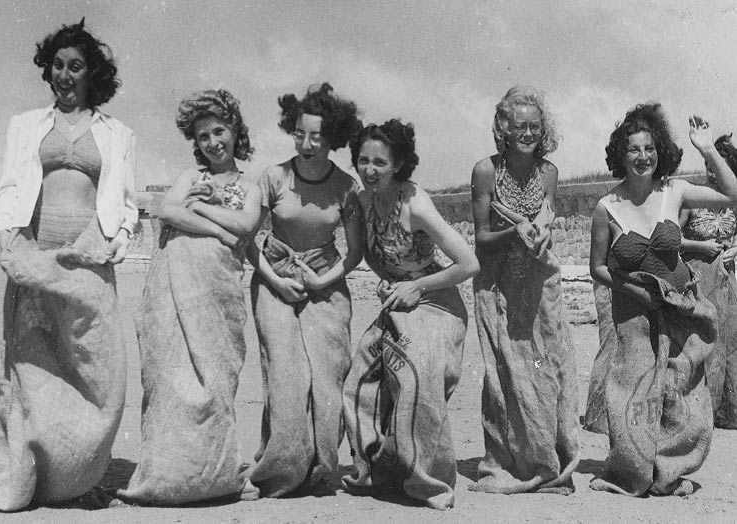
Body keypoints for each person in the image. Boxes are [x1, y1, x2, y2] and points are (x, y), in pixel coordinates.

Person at [0, 19, 138, 511]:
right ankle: (23, 476)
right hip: (35, 256)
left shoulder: (118, 134)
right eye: (58, 65)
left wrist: (116, 237)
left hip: (89, 259)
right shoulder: (26, 125)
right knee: (32, 368)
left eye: (76, 66)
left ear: (92, 73)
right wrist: (9, 238)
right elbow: (11, 186)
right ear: (47, 70)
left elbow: (127, 203)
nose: (65, 74)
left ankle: (78, 478)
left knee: (93, 373)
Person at [117, 89, 262, 505]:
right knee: (168, 379)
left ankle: (218, 475)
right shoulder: (189, 177)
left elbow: (247, 224)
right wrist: (219, 229)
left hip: (218, 294)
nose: (213, 142)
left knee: (217, 380)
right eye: (203, 137)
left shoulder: (251, 187)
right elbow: (166, 210)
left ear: (235, 131)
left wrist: (201, 211)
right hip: (173, 288)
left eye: (220, 132)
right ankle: (165, 477)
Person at [588, 103, 737, 496]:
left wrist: (707, 149)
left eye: (650, 148)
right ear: (621, 155)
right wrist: (635, 291)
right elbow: (598, 268)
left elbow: (733, 193)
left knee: (682, 394)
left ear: (661, 152)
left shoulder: (675, 190)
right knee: (633, 392)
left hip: (681, 306)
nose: (643, 157)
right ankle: (634, 467)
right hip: (634, 313)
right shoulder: (607, 207)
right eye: (634, 149)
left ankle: (670, 471)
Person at [341, 120, 479, 510]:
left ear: (398, 164)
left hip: (437, 303)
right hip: (398, 304)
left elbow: (468, 264)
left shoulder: (415, 203)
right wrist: (390, 282)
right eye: (363, 161)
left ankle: (429, 481)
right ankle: (378, 471)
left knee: (417, 373)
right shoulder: (361, 202)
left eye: (380, 163)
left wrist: (417, 285)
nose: (370, 170)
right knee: (359, 373)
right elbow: (368, 255)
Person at [245, 83, 364, 497]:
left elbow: (356, 253)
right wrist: (276, 280)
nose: (307, 143)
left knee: (328, 377)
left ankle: (321, 468)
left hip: (326, 283)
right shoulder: (273, 177)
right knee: (285, 376)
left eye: (316, 136)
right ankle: (281, 470)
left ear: (333, 139)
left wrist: (322, 280)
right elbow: (249, 240)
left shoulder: (348, 187)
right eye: (299, 134)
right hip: (275, 278)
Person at [469, 86, 580, 495]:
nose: (527, 133)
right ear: (503, 128)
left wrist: (542, 234)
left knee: (544, 367)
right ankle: (506, 459)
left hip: (538, 283)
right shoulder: (485, 171)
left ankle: (547, 458)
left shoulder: (548, 172)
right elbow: (481, 238)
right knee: (504, 372)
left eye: (534, 126)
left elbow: (547, 218)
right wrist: (515, 231)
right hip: (497, 284)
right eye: (519, 126)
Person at [680, 134, 737, 429]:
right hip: (697, 281)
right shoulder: (693, 197)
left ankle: (727, 412)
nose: (711, 171)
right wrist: (699, 247)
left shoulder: (734, 200)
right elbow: (670, 239)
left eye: (718, 165)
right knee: (701, 342)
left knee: (729, 343)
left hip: (727, 282)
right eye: (708, 164)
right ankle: (699, 411)